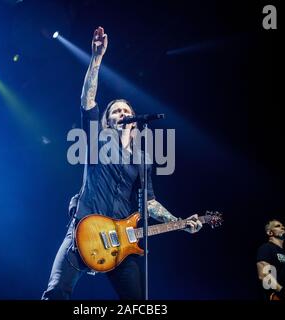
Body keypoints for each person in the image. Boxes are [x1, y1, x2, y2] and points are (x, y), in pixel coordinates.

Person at [41, 26, 203, 300]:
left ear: (135, 121)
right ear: (108, 120)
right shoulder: (96, 142)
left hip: (121, 240)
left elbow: (148, 202)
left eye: (126, 110)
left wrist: (179, 221)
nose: (122, 113)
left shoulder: (142, 160)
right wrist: (96, 58)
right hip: (84, 231)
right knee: (56, 292)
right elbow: (88, 100)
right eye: (116, 110)